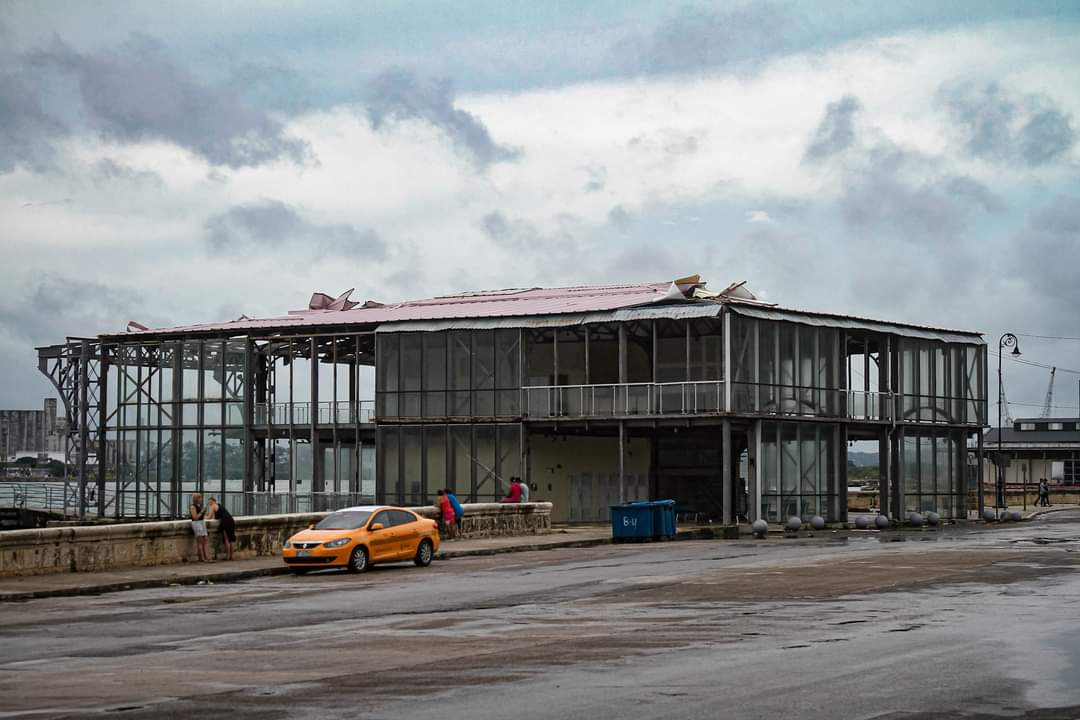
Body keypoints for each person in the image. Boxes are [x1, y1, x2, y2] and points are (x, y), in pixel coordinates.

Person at [208, 496, 236, 561]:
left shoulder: (213, 506)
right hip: (230, 520)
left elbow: (209, 517)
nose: (209, 503)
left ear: (213, 501)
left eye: (210, 502)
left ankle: (228, 556)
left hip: (225, 522)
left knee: (226, 539)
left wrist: (203, 517)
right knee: (231, 539)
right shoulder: (219, 505)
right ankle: (232, 556)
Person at [190, 493, 211, 563]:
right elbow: (195, 517)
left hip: (202, 523)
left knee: (205, 539)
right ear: (197, 499)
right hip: (197, 523)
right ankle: (202, 558)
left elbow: (201, 516)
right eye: (200, 498)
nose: (201, 499)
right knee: (200, 541)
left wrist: (204, 512)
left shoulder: (199, 506)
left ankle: (207, 557)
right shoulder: (193, 507)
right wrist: (202, 511)